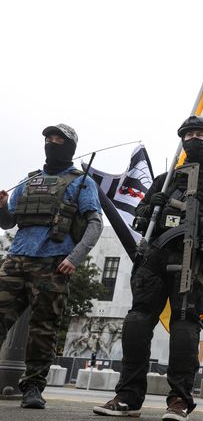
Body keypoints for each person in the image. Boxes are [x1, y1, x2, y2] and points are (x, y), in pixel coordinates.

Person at [94, 116, 203, 420]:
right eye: (189, 134)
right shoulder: (165, 179)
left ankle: (179, 399)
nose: (194, 139)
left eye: (201, 135)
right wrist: (151, 206)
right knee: (136, 323)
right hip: (155, 258)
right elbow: (140, 217)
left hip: (193, 260)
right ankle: (128, 397)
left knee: (185, 329)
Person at [0, 123, 103, 409]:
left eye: (59, 138)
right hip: (16, 259)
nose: (52, 142)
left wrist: (75, 257)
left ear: (70, 146)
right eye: (49, 138)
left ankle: (33, 387)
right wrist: (1, 206)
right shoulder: (28, 181)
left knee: (43, 328)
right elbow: (9, 222)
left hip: (53, 263)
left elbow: (95, 224)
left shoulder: (81, 182)